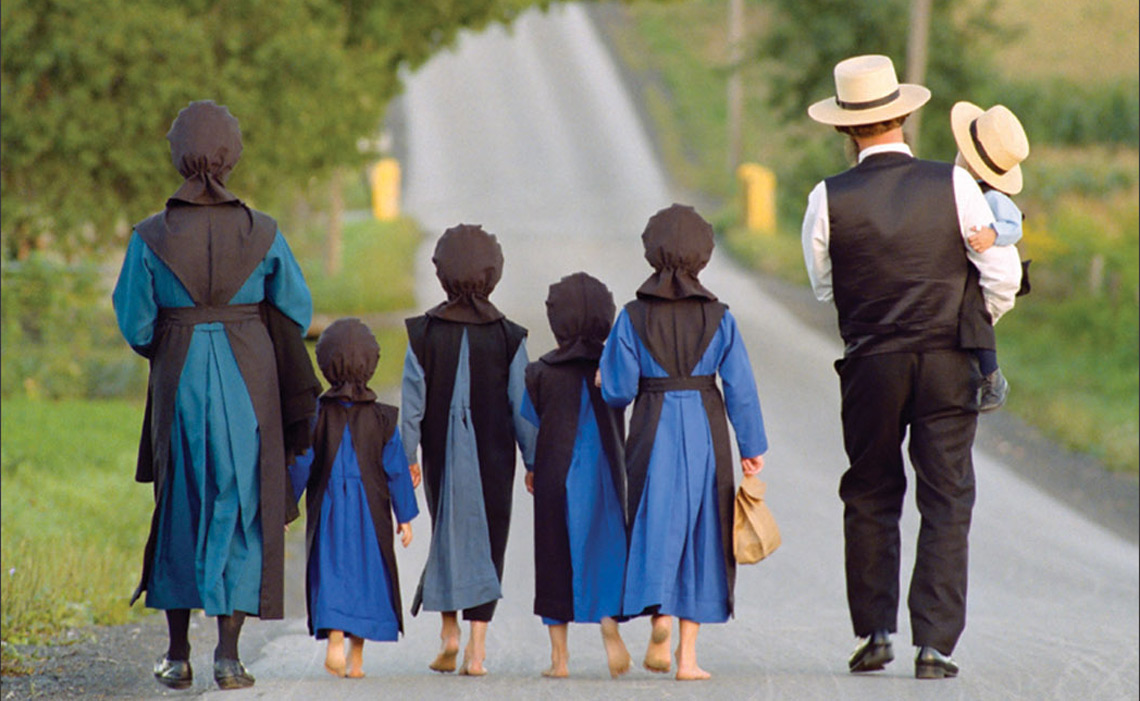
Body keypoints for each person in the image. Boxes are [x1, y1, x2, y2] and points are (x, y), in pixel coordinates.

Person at [801, 55, 1022, 679]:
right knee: (947, 495)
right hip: (948, 358)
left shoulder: (826, 197)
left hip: (871, 362)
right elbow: (1001, 274)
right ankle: (935, 645)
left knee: (870, 489)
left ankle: (875, 632)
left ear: (845, 128)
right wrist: (970, 319)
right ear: (903, 115)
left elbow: (824, 285)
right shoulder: (953, 184)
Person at [113, 100, 316, 690]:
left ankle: (177, 655)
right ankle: (228, 656)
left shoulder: (149, 235)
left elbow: (136, 324)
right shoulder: (263, 231)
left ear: (177, 154)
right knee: (242, 504)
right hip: (249, 375)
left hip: (178, 375)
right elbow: (297, 310)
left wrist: (176, 335)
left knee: (180, 502)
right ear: (232, 156)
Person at [599, 204, 768, 681]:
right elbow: (740, 386)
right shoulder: (719, 317)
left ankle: (660, 617)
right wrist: (751, 445)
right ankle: (688, 659)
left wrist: (603, 378)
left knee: (654, 522)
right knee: (705, 532)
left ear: (651, 253)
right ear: (703, 256)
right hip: (706, 428)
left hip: (651, 427)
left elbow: (619, 391)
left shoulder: (632, 316)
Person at [400, 224, 538, 676]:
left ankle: (449, 632)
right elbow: (522, 406)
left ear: (441, 272)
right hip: (494, 455)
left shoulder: (422, 333)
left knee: (447, 531)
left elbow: (412, 404)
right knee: (490, 536)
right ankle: (477, 650)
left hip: (439, 452)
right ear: (493, 273)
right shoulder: (509, 336)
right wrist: (533, 460)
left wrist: (408, 457)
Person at [287, 318, 418, 679]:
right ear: (371, 363)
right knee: (367, 575)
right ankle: (356, 658)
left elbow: (302, 462)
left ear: (325, 363)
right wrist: (404, 517)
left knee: (332, 569)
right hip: (370, 512)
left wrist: (287, 506)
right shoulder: (383, 418)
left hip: (329, 507)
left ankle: (335, 639)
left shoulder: (316, 416)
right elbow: (396, 470)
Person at [521, 272, 632, 679]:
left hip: (556, 469)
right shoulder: (613, 369)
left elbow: (530, 422)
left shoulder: (540, 371)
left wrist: (531, 466)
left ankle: (560, 659)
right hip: (606, 469)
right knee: (606, 544)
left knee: (554, 552)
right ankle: (608, 620)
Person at [950, 102, 1031, 412]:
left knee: (974, 317)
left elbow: (1014, 225)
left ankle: (992, 375)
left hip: (995, 278)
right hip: (981, 272)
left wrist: (993, 234)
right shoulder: (973, 194)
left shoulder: (994, 197)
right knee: (969, 320)